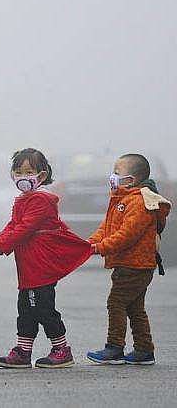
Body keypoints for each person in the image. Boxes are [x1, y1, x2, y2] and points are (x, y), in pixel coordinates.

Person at [0, 148, 91, 369]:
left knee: (43, 308)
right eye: (18, 171)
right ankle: (23, 351)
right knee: (25, 308)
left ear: (42, 175)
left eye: (29, 171)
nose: (23, 177)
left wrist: (3, 245)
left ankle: (61, 349)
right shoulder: (23, 199)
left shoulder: (40, 200)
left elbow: (24, 228)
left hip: (40, 266)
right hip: (28, 267)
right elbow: (13, 225)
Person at [87, 154, 171, 365]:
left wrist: (100, 248)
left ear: (131, 180)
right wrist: (88, 244)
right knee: (135, 308)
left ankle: (114, 348)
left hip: (136, 265)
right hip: (128, 264)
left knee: (115, 303)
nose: (112, 177)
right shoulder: (121, 199)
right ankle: (144, 350)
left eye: (117, 173)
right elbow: (106, 228)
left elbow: (126, 235)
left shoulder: (140, 202)